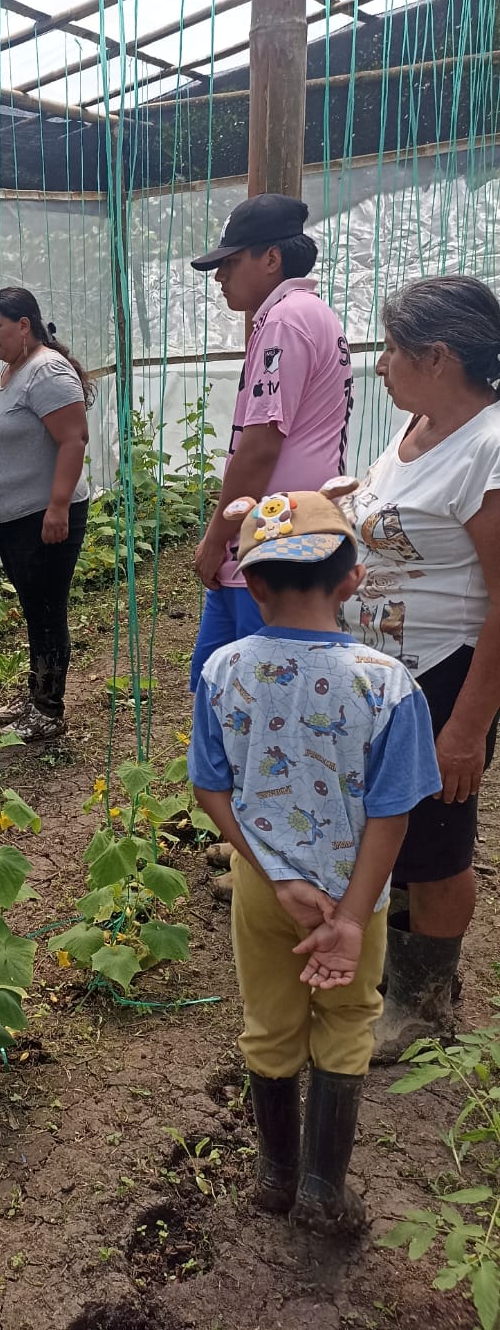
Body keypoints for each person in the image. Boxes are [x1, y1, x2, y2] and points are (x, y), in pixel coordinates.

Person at [188, 481, 440, 1234]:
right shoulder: (388, 684)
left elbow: (209, 790)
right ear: (352, 580)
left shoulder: (222, 671)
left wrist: (275, 874)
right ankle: (323, 1190)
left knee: (267, 1021)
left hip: (265, 891)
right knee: (347, 1018)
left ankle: (274, 1178)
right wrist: (352, 918)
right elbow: (392, 812)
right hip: (351, 892)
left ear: (254, 586)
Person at [339, 277, 500, 1062]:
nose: (379, 364)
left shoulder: (488, 446)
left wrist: (465, 727)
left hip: (443, 675)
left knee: (435, 842)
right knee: (392, 824)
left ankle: (423, 1000)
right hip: (382, 674)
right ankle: (396, 970)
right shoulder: (418, 424)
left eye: (391, 349)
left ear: (437, 357)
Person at [189, 195, 356, 688]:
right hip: (278, 536)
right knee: (215, 683)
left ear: (271, 258)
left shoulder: (285, 320)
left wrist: (216, 538)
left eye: (230, 262)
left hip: (275, 542)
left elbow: (261, 447)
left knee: (253, 691)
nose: (220, 277)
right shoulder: (308, 313)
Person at [0, 286, 92, 741]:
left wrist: (58, 506)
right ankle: (37, 693)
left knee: (46, 611)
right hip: (19, 522)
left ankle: (48, 709)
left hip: (44, 517)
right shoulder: (15, 371)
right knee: (34, 610)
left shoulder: (47, 371)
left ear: (24, 325)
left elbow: (73, 440)